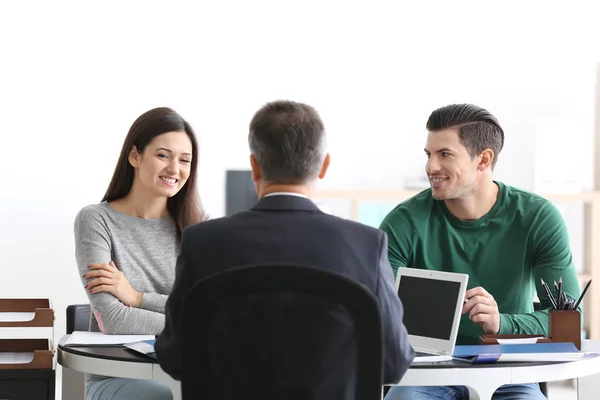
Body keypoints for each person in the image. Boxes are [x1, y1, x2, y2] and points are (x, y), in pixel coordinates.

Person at [155, 100, 415, 398]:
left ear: (254, 165)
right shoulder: (366, 245)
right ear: (324, 165)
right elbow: (393, 364)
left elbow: (175, 358)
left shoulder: (202, 241)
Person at [381, 103, 581, 400]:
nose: (430, 167)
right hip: (427, 373)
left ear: (483, 159)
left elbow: (568, 318)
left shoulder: (538, 217)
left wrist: (502, 323)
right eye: (428, 154)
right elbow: (378, 312)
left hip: (510, 374)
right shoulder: (404, 222)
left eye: (444, 154)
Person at [74, 107, 204, 400]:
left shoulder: (198, 226)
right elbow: (114, 319)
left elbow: (210, 313)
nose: (174, 169)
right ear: (135, 156)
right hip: (119, 376)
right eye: (163, 155)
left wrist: (136, 298)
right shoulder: (96, 220)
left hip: (189, 372)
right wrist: (188, 323)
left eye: (184, 160)